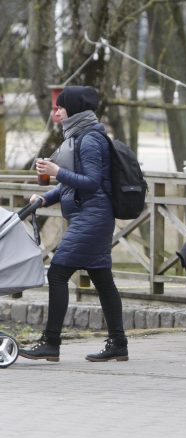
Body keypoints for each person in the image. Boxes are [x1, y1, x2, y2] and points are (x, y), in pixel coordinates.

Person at [19, 85, 128, 363]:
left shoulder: (90, 139)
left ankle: (51, 343)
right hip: (90, 216)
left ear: (73, 109)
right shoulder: (78, 135)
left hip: (92, 218)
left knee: (57, 274)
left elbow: (91, 183)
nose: (56, 112)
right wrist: (45, 198)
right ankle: (119, 344)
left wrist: (57, 172)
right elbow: (72, 187)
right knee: (103, 280)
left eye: (60, 107)